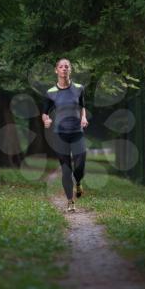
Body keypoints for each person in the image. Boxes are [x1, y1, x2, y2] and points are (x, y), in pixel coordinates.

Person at [42, 58, 88, 212]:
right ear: (56, 70)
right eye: (61, 67)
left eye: (66, 66)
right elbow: (44, 113)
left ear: (70, 70)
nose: (64, 69)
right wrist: (46, 120)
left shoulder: (79, 88)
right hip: (60, 134)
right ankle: (70, 201)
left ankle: (79, 182)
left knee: (80, 164)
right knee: (66, 170)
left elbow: (82, 106)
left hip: (77, 133)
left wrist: (84, 117)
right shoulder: (50, 92)